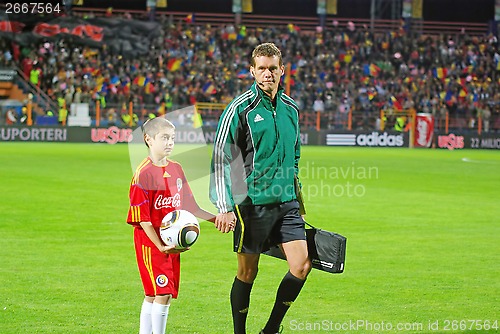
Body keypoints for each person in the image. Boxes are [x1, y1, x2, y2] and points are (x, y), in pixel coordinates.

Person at [209, 42, 311, 334]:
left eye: (273, 69)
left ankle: (270, 329)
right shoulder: (239, 109)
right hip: (251, 203)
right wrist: (225, 206)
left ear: (282, 70)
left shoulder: (291, 108)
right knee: (248, 272)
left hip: (287, 202)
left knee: (301, 266)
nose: (268, 74)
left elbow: (295, 157)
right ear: (252, 71)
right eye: (262, 69)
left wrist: (300, 205)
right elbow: (221, 157)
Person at [127, 117, 215, 334]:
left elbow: (190, 207)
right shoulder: (143, 174)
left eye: (172, 138)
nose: (170, 143)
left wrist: (218, 218)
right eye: (164, 137)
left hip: (171, 242)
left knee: (153, 293)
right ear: (148, 139)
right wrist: (159, 246)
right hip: (151, 243)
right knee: (163, 292)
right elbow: (143, 219)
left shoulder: (176, 168)